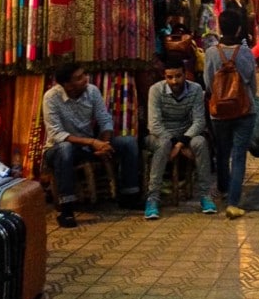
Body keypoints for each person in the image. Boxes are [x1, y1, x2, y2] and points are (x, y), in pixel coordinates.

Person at [42, 62, 143, 228]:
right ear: (67, 84)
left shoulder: (92, 91)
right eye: (79, 78)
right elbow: (57, 134)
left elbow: (104, 119)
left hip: (89, 145)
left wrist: (105, 143)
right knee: (65, 149)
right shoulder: (51, 98)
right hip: (59, 148)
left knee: (128, 142)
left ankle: (129, 196)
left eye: (84, 75)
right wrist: (93, 142)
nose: (85, 79)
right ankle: (66, 209)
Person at [143, 58, 216, 220]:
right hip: (160, 135)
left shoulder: (196, 89)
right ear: (164, 76)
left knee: (200, 142)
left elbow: (199, 121)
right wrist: (175, 143)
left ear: (185, 74)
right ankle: (153, 198)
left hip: (186, 134)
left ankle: (205, 195)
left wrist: (181, 142)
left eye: (178, 76)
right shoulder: (156, 90)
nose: (174, 81)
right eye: (170, 77)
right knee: (162, 145)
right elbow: (154, 125)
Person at [204, 8, 258, 220]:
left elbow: (208, 83)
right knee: (238, 156)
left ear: (219, 26)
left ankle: (224, 188)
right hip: (245, 110)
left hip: (219, 111)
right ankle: (233, 203)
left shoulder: (210, 53)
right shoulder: (246, 52)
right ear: (238, 28)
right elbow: (252, 84)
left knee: (222, 152)